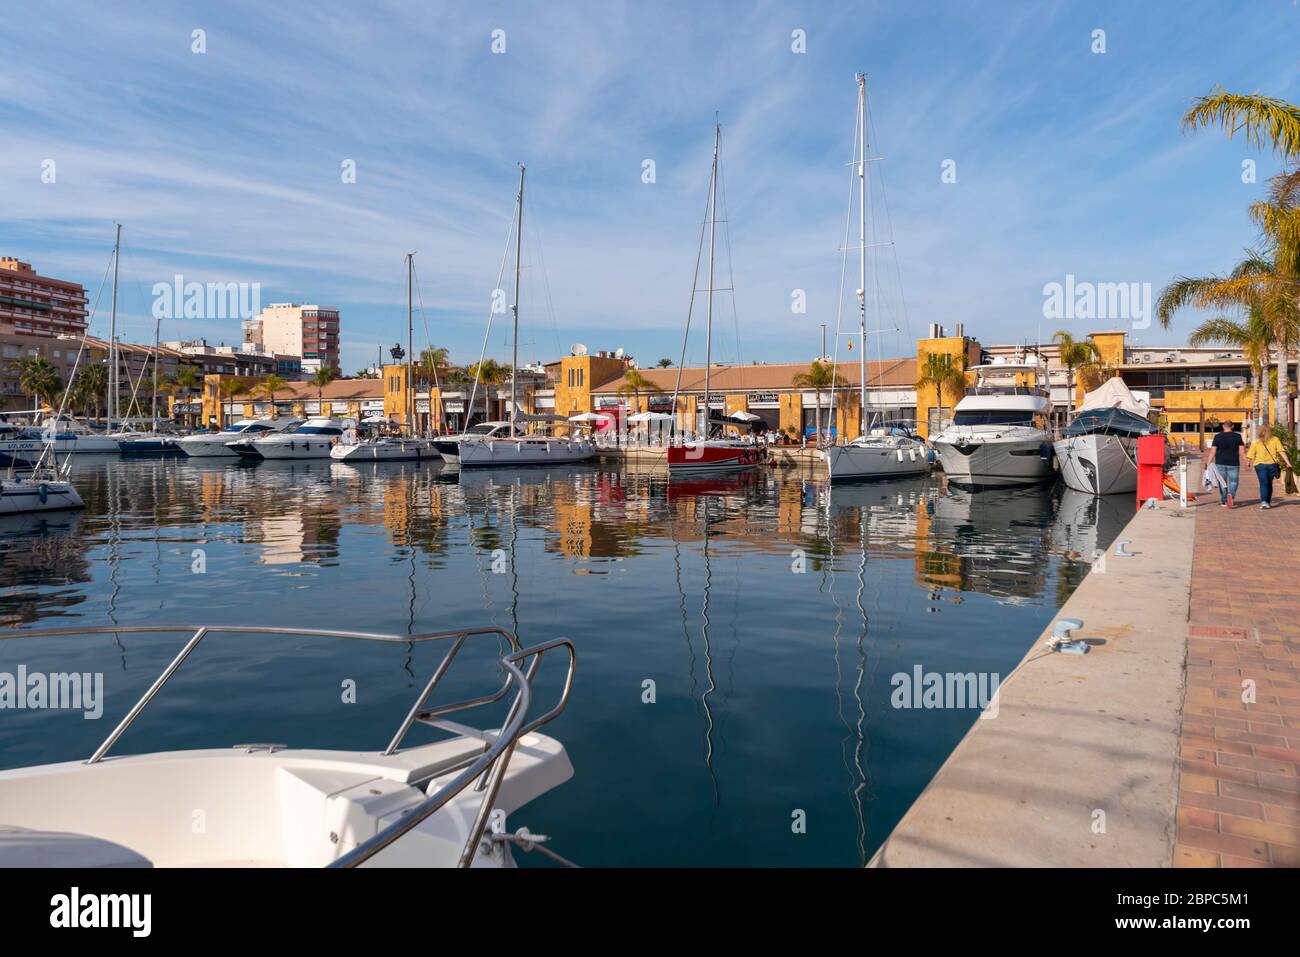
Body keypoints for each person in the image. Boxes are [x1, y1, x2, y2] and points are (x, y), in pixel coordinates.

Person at [1246, 428, 1293, 509]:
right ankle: (1265, 501)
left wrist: (1248, 463)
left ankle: (1266, 501)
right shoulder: (1275, 439)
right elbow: (1281, 451)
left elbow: (1250, 454)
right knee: (1267, 483)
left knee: (1264, 483)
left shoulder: (1256, 441)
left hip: (1260, 465)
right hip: (1271, 465)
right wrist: (1288, 463)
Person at [1204, 420, 1244, 508]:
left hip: (1220, 463)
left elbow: (1213, 451)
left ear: (1223, 426)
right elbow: (1242, 451)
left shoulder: (1218, 437)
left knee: (1222, 482)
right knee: (1234, 481)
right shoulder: (1238, 436)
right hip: (1234, 463)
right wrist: (1247, 461)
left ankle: (1223, 500)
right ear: (1232, 426)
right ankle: (1231, 495)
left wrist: (1208, 463)